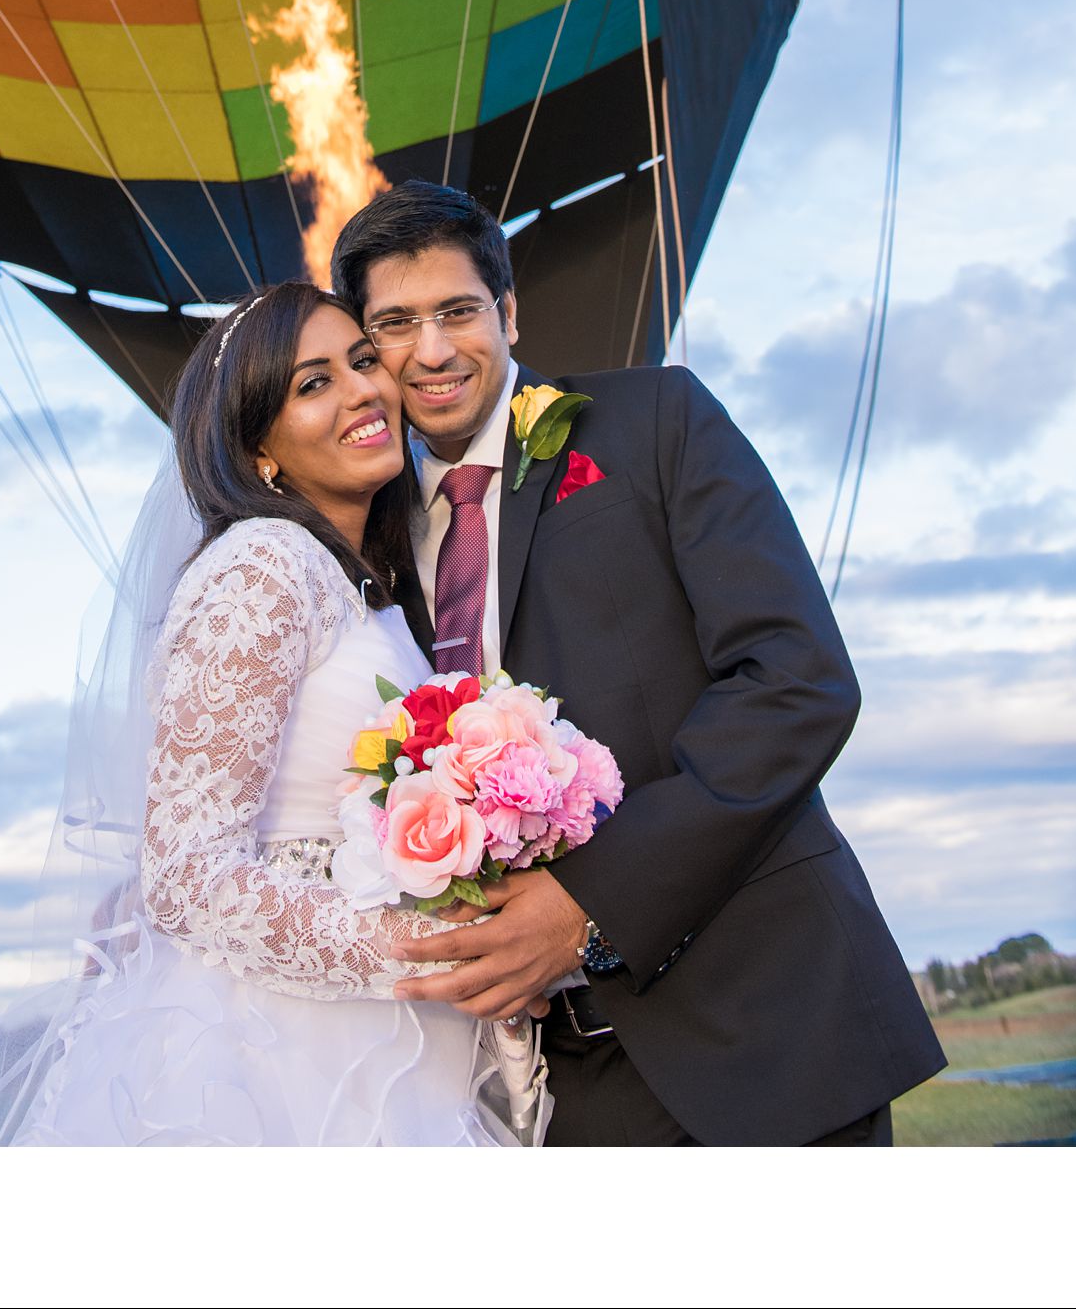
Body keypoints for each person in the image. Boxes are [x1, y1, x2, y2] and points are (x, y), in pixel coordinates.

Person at [328, 180, 948, 1147]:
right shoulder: (366, 540)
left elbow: (796, 679)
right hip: (549, 1078)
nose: (433, 350)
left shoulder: (655, 420)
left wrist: (590, 905)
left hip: (762, 1024)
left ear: (510, 311)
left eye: (458, 311)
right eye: (396, 325)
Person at [0, 279, 540, 1147]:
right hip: (273, 1057)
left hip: (381, 1037)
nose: (362, 391)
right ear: (258, 449)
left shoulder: (357, 586)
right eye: (312, 385)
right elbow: (189, 876)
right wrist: (428, 954)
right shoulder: (262, 567)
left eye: (358, 361)